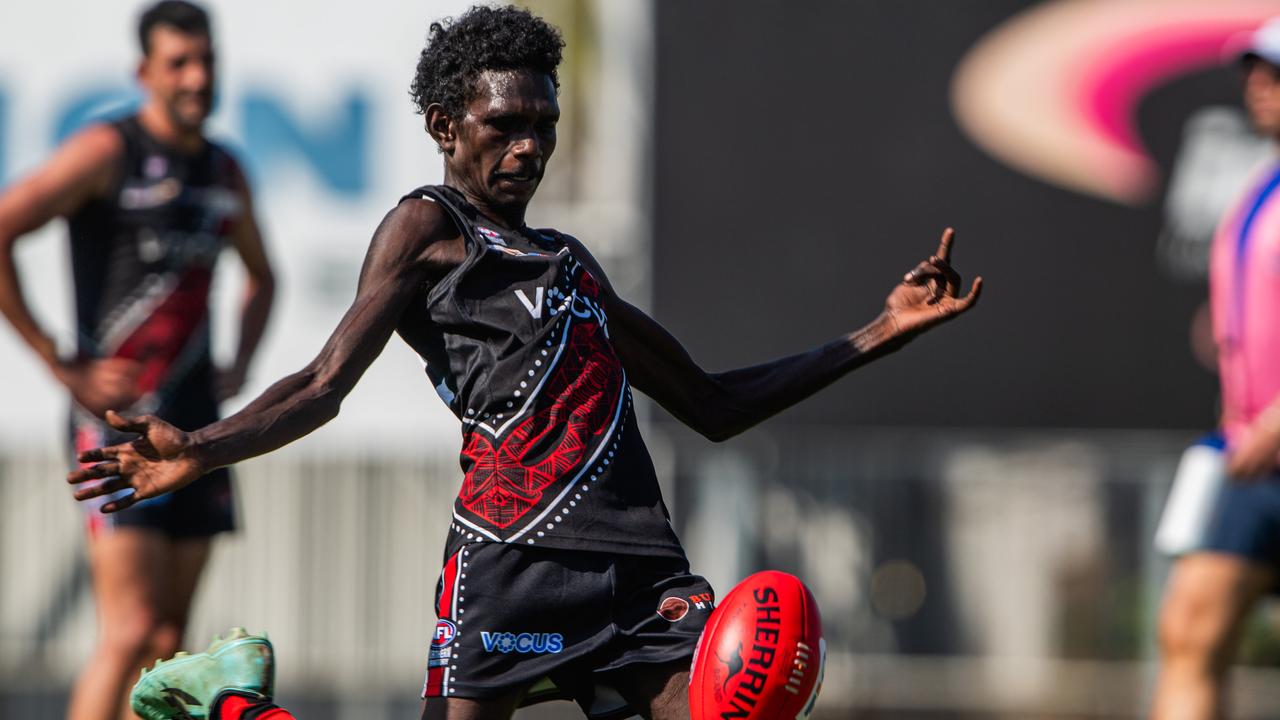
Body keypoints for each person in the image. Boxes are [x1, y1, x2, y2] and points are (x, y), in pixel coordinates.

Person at [69, 6, 979, 720]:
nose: (529, 145)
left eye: (543, 123)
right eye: (506, 124)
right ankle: (236, 702)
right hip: (513, 562)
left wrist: (880, 330)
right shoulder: (430, 228)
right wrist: (199, 446)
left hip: (643, 583)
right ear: (444, 124)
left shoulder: (572, 261)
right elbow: (322, 384)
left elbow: (712, 402)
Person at [0, 2, 275, 719]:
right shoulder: (107, 151)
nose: (197, 76)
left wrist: (240, 362)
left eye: (206, 60)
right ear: (144, 71)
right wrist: (61, 363)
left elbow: (262, 276)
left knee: (169, 644)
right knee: (126, 633)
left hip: (194, 428)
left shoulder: (225, 169)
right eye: (179, 62)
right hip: (115, 426)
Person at [1152, 17, 1280, 720]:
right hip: (1250, 460)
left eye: (1275, 73)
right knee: (1189, 631)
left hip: (1270, 443)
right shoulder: (1262, 185)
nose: (1257, 86)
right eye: (1254, 72)